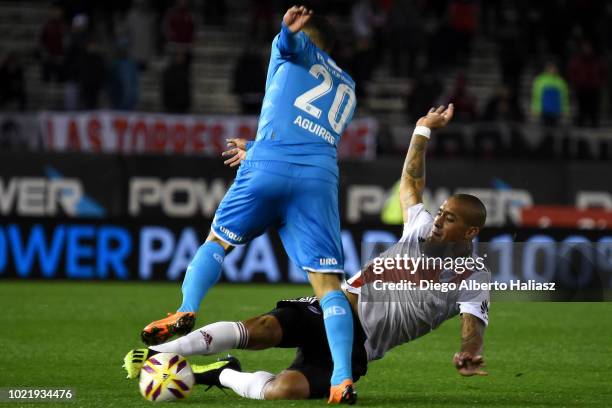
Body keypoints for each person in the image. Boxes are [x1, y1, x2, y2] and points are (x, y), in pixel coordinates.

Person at [124, 104, 491, 402]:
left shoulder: (472, 276)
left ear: (471, 232)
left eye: (450, 218)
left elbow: (471, 324)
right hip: (334, 309)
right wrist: (422, 129)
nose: (438, 220)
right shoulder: (420, 226)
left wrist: (468, 351)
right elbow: (411, 182)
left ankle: (223, 373)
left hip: (360, 348)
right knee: (262, 329)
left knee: (283, 391)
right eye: (441, 212)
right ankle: (161, 353)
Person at [141, 6, 358, 403]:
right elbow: (307, 134)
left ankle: (186, 307)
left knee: (217, 242)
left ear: (307, 36)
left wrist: (287, 31)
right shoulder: (348, 85)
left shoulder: (292, 49)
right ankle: (342, 379)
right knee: (329, 287)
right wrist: (258, 146)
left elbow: (290, 43)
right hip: (319, 176)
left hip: (268, 166)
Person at [531, 62, 569, 127]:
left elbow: (564, 98)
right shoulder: (540, 80)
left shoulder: (560, 81)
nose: (552, 70)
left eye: (554, 68)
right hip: (544, 110)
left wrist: (565, 109)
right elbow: (536, 96)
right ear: (546, 68)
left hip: (556, 110)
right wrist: (536, 109)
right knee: (544, 128)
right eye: (550, 67)